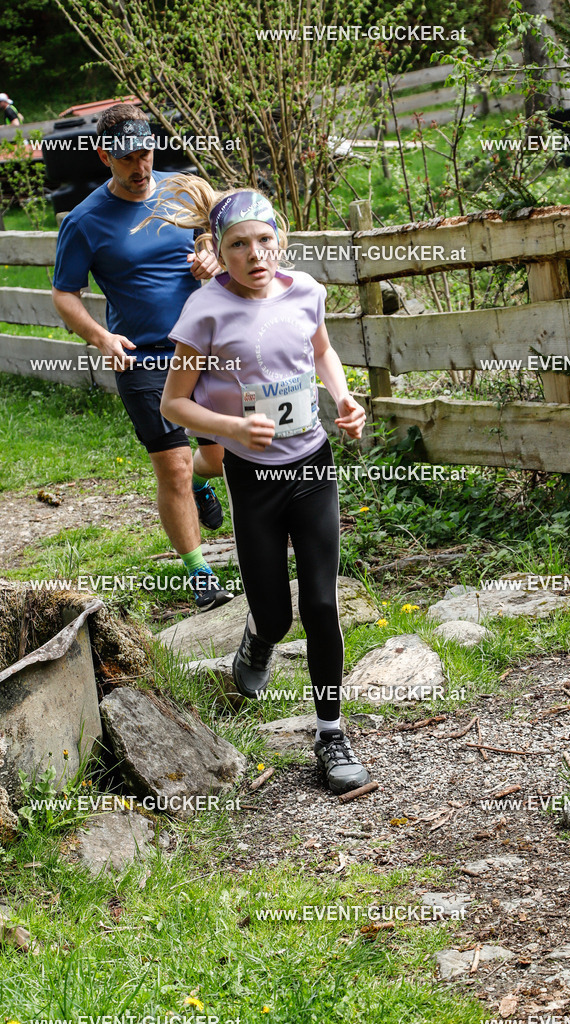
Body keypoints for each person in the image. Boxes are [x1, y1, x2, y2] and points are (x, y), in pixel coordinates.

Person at [144, 178, 372, 795]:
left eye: (263, 240)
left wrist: (343, 398)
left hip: (312, 466)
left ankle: (331, 734)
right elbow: (173, 403)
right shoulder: (205, 310)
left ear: (281, 241)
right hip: (252, 476)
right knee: (274, 614)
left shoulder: (307, 292)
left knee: (321, 605)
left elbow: (322, 352)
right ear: (220, 251)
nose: (254, 254)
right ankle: (259, 639)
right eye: (238, 245)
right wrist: (232, 428)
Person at [51, 103, 232, 611]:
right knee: (172, 468)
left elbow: (220, 233)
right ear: (104, 155)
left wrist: (210, 252)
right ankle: (199, 574)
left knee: (216, 458)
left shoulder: (185, 189)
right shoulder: (84, 221)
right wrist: (100, 337)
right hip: (142, 359)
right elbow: (64, 293)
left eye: (146, 154)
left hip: (202, 349)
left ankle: (202, 484)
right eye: (127, 157)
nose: (140, 167)